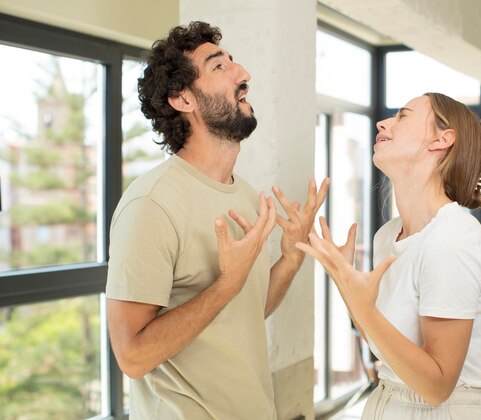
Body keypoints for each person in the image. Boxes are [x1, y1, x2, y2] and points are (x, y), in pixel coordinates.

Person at [105, 21, 328, 419]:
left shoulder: (242, 193)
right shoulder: (151, 204)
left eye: (233, 63)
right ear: (182, 99)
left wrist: (291, 255)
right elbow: (133, 357)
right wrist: (227, 283)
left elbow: (247, 308)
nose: (243, 74)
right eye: (219, 67)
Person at [297, 93, 481, 419]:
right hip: (387, 401)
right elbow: (384, 345)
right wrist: (344, 278)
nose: (383, 123)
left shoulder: (453, 238)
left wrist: (362, 305)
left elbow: (436, 387)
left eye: (402, 116)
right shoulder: (388, 236)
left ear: (441, 139)